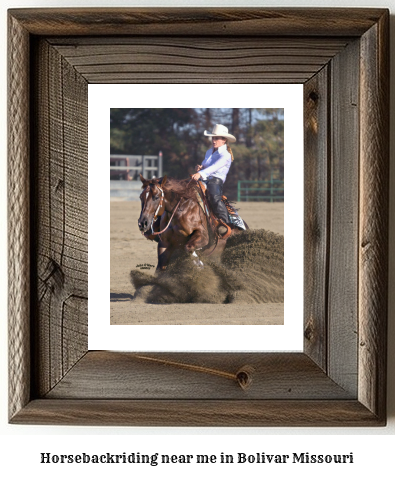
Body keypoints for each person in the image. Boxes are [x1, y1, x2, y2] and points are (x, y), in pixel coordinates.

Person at [191, 124, 236, 236]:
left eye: (216, 138)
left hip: (215, 181)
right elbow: (206, 166)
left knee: (214, 197)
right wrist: (200, 168)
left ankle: (225, 223)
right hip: (204, 178)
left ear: (224, 140)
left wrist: (200, 173)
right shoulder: (209, 152)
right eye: (213, 138)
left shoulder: (226, 155)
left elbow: (215, 167)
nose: (213, 140)